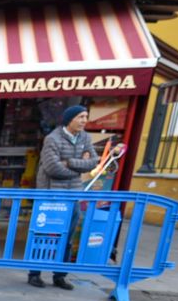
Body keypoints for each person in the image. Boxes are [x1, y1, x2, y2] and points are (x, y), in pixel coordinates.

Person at [29, 105, 122, 290]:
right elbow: (52, 168)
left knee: (68, 237)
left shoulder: (85, 138)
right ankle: (34, 273)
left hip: (73, 195)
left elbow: (92, 162)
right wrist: (79, 166)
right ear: (69, 119)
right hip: (51, 196)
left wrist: (70, 162)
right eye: (80, 116)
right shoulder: (52, 139)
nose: (84, 120)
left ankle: (60, 275)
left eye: (86, 116)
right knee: (43, 234)